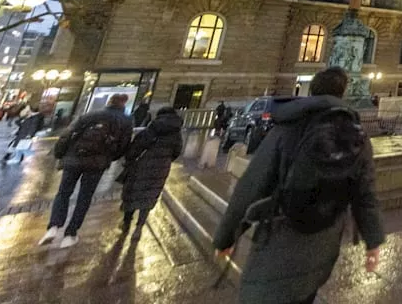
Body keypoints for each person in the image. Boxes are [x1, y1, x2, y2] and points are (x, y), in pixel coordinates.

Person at [213, 68, 383, 304]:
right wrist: (373, 242)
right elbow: (365, 195)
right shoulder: (356, 135)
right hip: (322, 244)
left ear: (311, 91)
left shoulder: (287, 129)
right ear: (343, 92)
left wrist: (226, 237)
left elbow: (251, 185)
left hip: (278, 237)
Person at [40, 94, 133, 249]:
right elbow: (124, 145)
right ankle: (71, 234)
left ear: (109, 102)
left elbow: (68, 134)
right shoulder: (125, 120)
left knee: (63, 192)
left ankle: (53, 226)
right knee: (85, 196)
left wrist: (60, 153)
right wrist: (109, 157)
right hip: (97, 163)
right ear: (124, 104)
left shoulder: (91, 114)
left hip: (74, 157)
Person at [118, 106, 183, 242]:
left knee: (132, 193)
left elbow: (136, 147)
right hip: (161, 167)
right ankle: (139, 226)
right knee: (149, 195)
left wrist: (129, 160)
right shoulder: (176, 134)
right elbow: (176, 152)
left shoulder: (151, 129)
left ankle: (126, 222)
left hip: (141, 165)